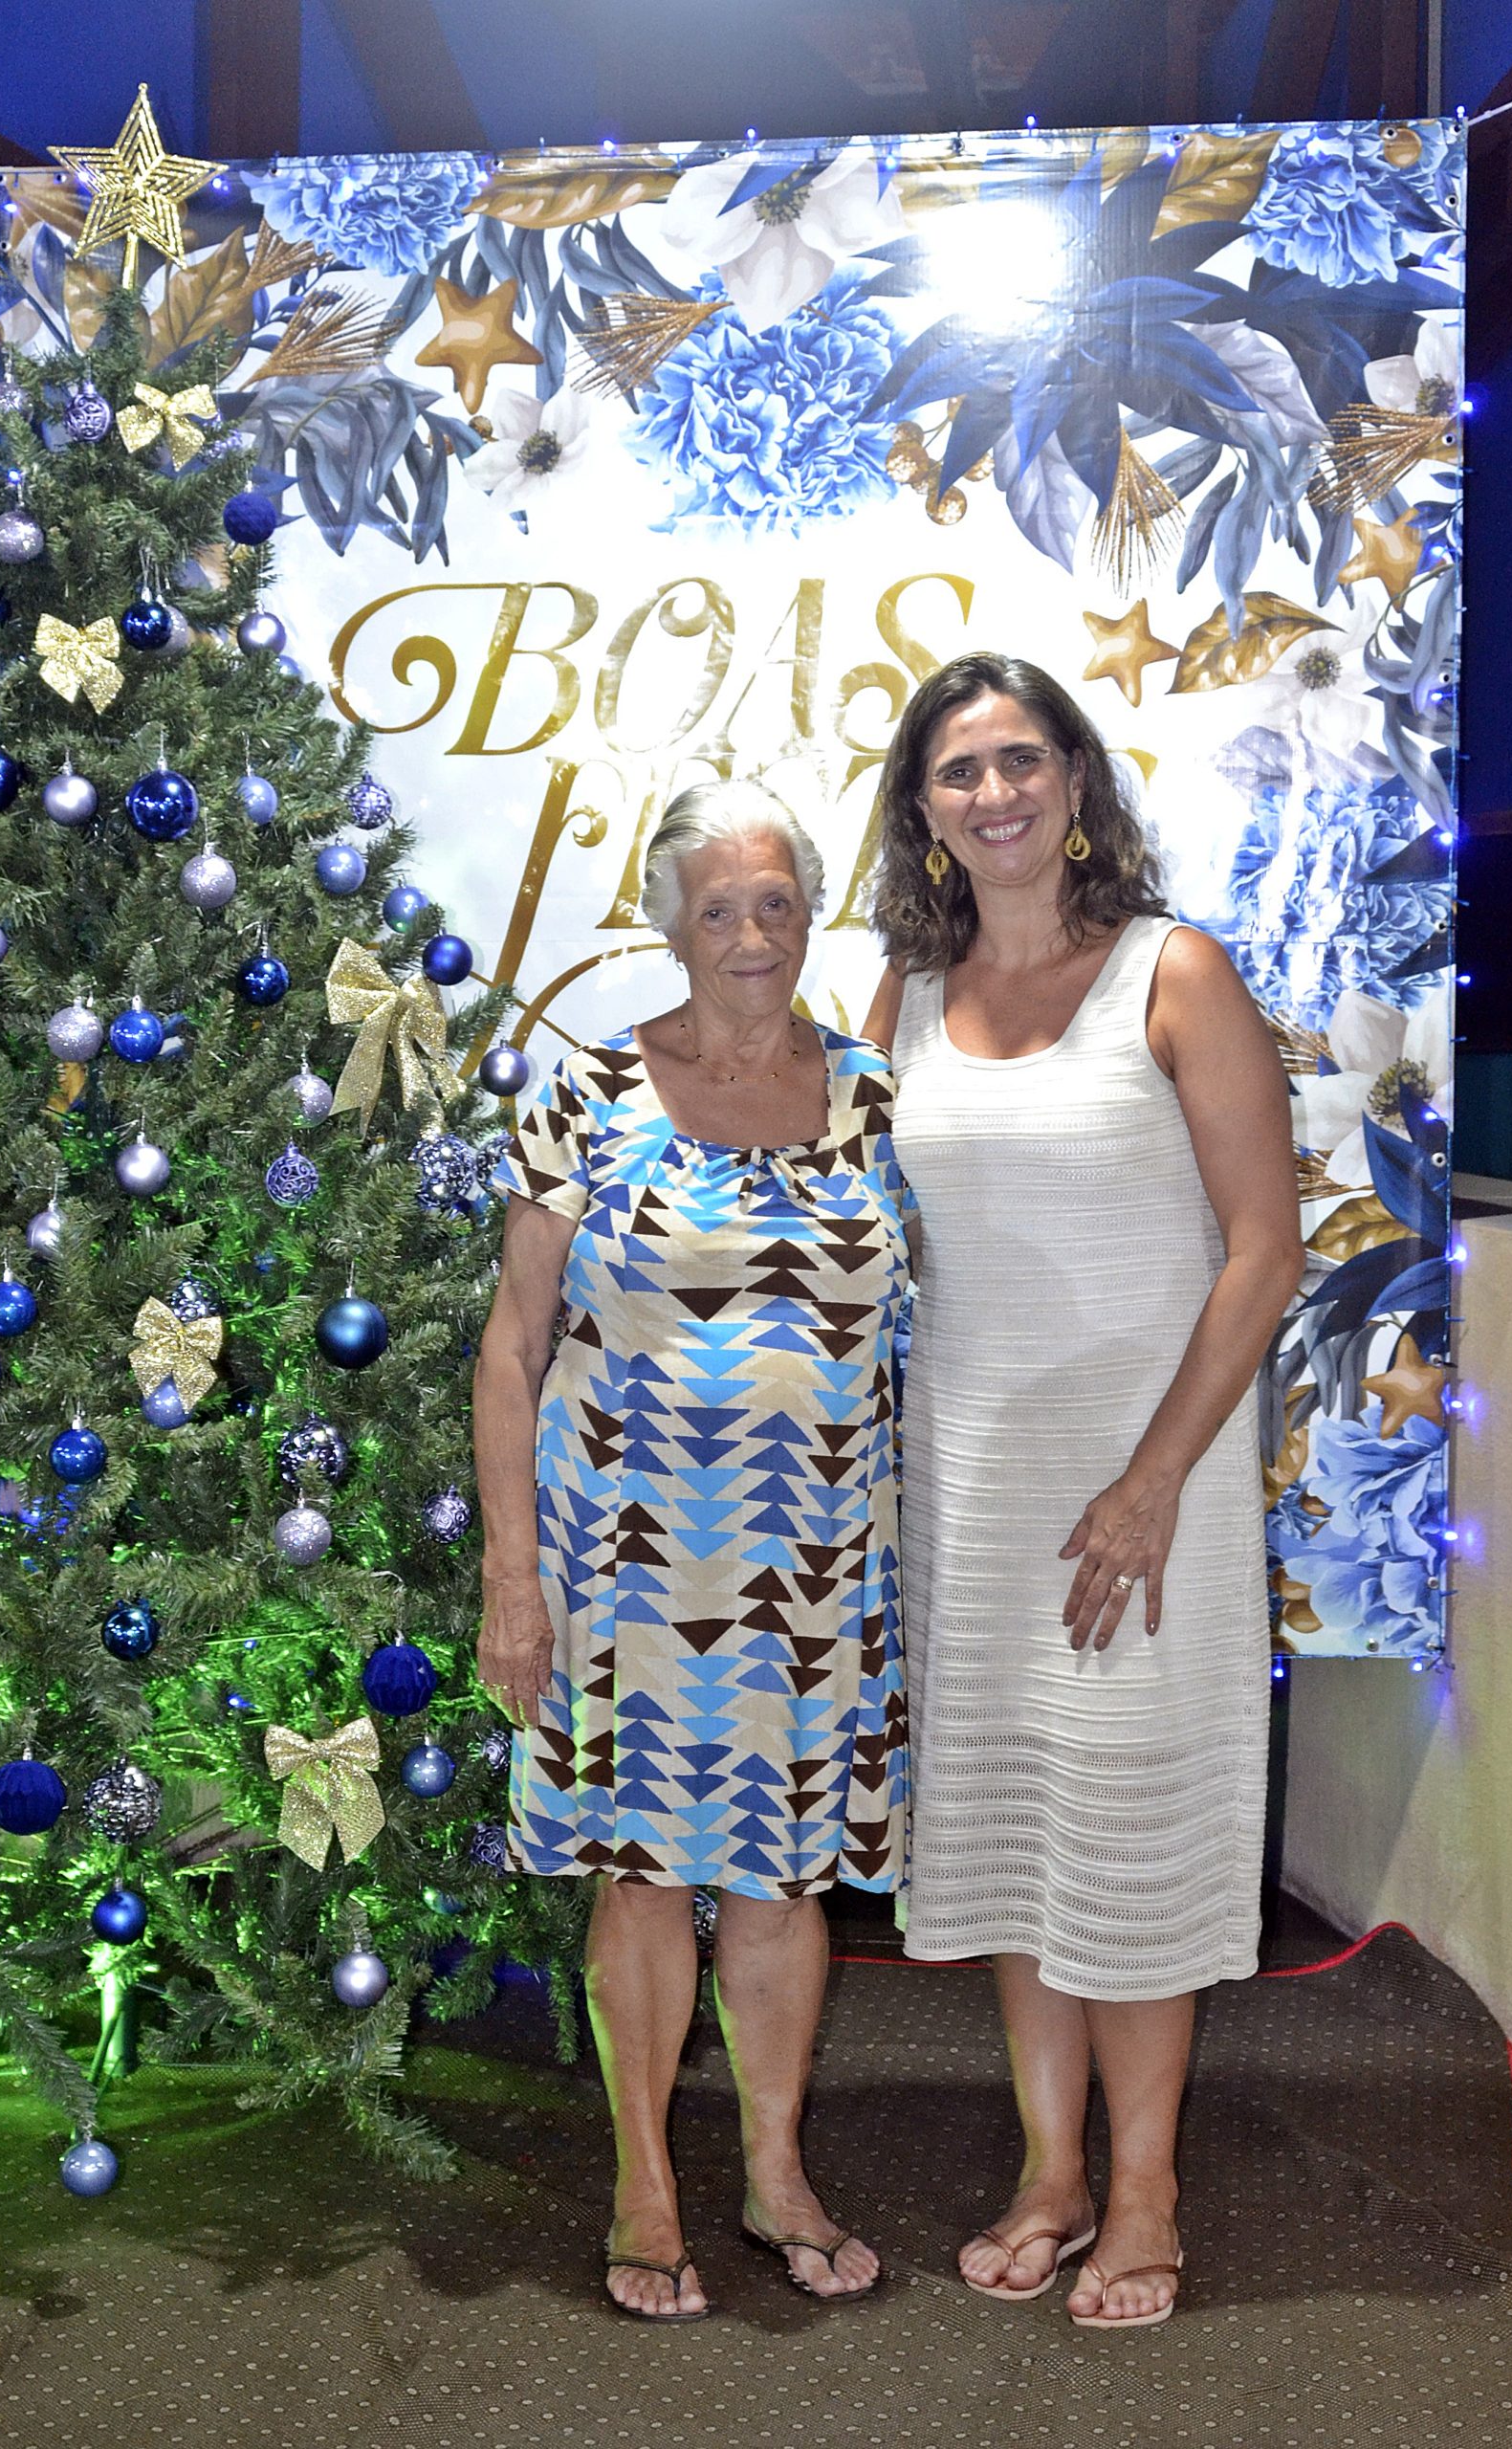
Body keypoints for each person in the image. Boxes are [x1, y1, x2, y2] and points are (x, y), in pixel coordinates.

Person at [864, 651, 1303, 2331]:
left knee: (1126, 1833)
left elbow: (1260, 1254)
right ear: (923, 809)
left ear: (1073, 780)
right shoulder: (905, 994)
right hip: (970, 1491)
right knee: (1007, 1829)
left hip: (1147, 1489)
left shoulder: (1170, 974)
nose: (994, 793)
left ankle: (1144, 2193)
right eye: (959, 770)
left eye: (1020, 759)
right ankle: (1051, 2172)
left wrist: (1152, 1476)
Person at [475, 780, 913, 2323]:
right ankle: (645, 2183)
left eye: (775, 903)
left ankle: (774, 2174)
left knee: (784, 1880)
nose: (749, 935)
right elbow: (511, 1350)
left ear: (809, 916)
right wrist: (512, 1582)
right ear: (667, 924)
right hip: (623, 1564)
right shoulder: (587, 1090)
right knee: (642, 1879)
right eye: (717, 908)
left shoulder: (873, 1096)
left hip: (816, 1567)